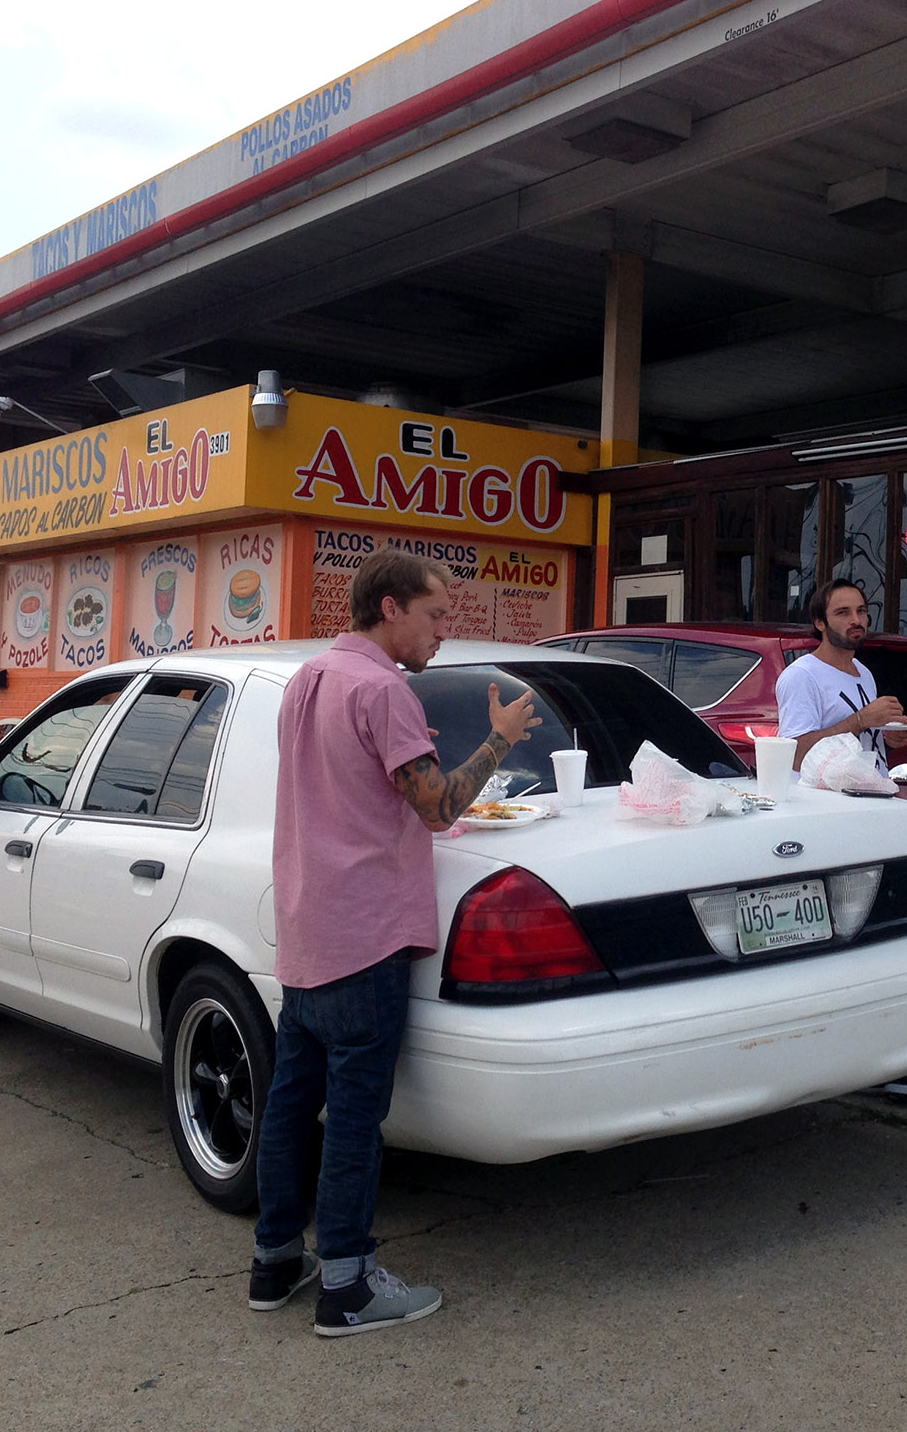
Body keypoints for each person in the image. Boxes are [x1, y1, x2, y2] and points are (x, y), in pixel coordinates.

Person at [250, 548, 540, 1337]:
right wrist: (501, 737)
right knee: (353, 1116)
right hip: (367, 933)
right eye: (436, 614)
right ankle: (347, 1285)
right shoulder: (383, 689)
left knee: (290, 1103)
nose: (445, 631)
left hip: (308, 925)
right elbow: (439, 807)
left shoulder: (308, 680)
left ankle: (276, 1260)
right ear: (390, 609)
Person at [775, 578, 907, 1109]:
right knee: (849, 944)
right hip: (826, 823)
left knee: (884, 941)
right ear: (820, 622)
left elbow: (859, 745)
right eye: (842, 612)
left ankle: (891, 1059)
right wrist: (862, 720)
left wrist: (888, 733)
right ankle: (870, 1061)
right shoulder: (800, 676)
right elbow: (792, 754)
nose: (855, 620)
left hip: (871, 814)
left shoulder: (863, 672)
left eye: (861, 611)